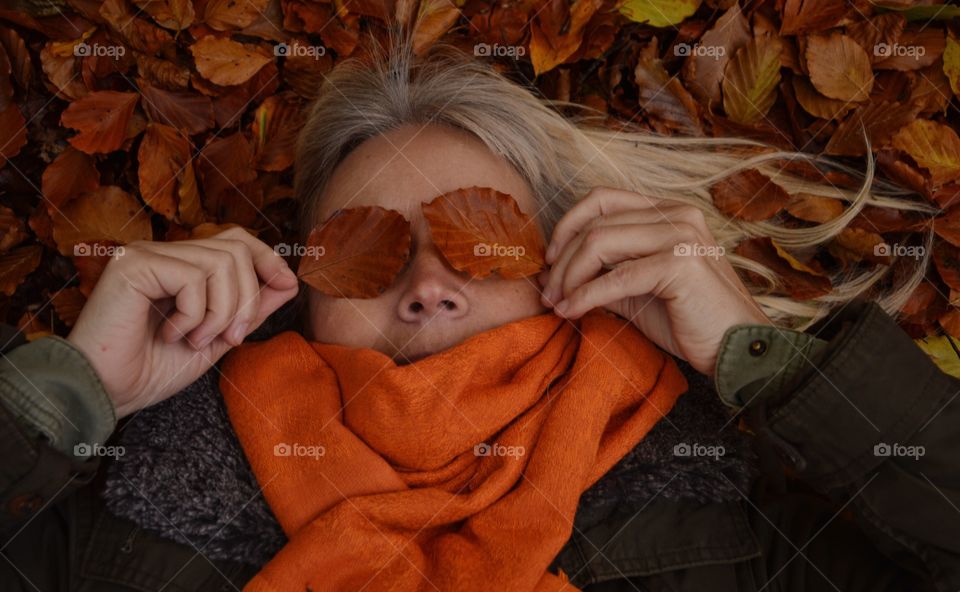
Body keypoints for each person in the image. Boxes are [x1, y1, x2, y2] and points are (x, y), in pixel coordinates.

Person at [1, 31, 957, 592]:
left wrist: (773, 366)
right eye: (363, 252)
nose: (424, 286)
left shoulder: (742, 500)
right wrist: (62, 406)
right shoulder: (124, 513)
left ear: (575, 270)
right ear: (297, 301)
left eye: (483, 243)